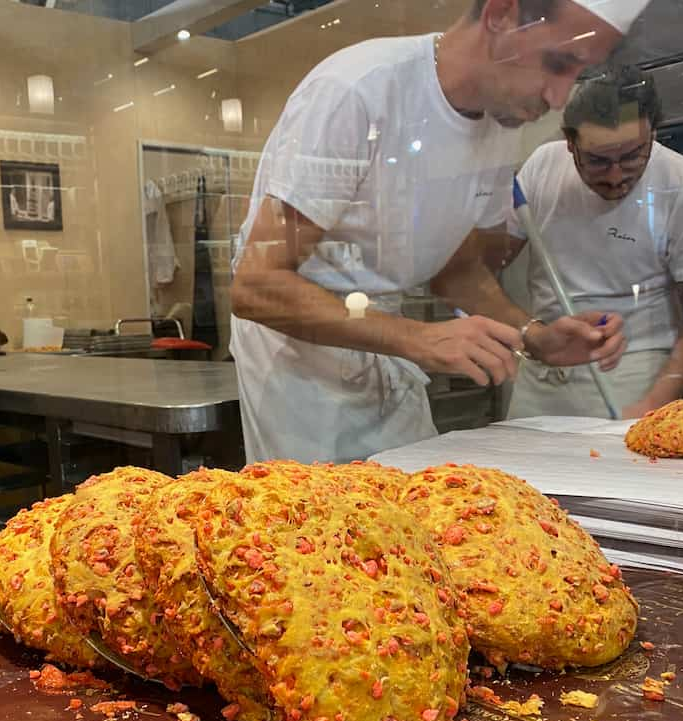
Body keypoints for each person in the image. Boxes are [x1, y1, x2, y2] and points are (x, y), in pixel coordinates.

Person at [229, 0, 646, 464]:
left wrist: (534, 335)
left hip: (391, 349)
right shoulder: (359, 91)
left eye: (578, 73)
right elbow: (257, 285)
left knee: (417, 510)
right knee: (319, 526)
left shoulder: (500, 124)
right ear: (501, 13)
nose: (559, 99)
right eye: (557, 63)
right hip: (299, 367)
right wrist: (418, 339)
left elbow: (460, 272)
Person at [490, 65, 683, 419]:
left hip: (633, 375)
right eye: (597, 161)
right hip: (542, 372)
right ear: (569, 142)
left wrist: (651, 406)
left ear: (652, 133)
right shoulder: (544, 166)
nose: (616, 176)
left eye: (633, 155)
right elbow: (479, 271)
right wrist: (531, 333)